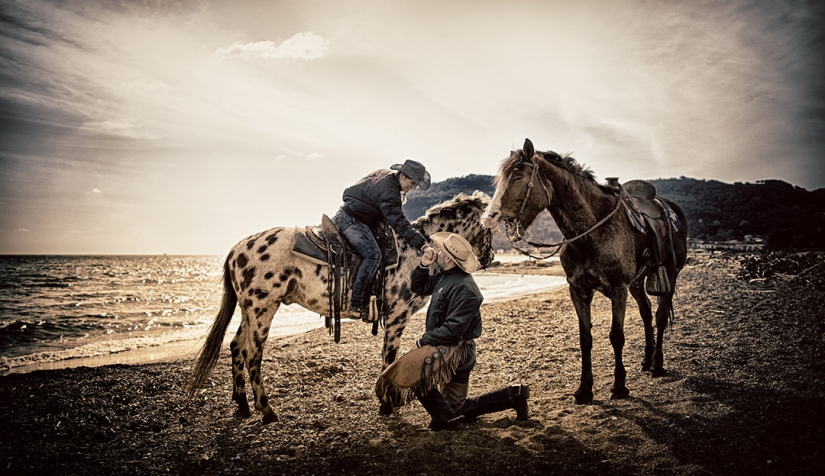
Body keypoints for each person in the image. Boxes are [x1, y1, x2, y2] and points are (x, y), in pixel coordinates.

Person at [410, 232, 530, 431]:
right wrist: (423, 265)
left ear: (448, 258)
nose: (436, 251)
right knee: (455, 407)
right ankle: (513, 395)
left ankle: (445, 419)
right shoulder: (445, 276)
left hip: (457, 351)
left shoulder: (466, 289)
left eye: (440, 250)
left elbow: (454, 330)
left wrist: (423, 342)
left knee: (415, 374)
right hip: (445, 346)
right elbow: (419, 287)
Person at [333, 159, 431, 321]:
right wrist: (421, 244)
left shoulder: (384, 174)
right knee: (373, 256)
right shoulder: (390, 192)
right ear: (402, 176)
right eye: (412, 183)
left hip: (349, 214)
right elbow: (398, 222)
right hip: (351, 220)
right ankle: (357, 303)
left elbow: (349, 192)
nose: (413, 187)